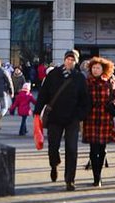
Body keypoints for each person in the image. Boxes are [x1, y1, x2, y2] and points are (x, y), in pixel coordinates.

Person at [35, 50, 91, 191]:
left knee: (72, 149)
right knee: (53, 147)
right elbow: (43, 94)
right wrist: (37, 111)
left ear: (76, 62)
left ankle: (69, 180)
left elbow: (85, 100)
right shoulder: (53, 75)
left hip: (72, 118)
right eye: (68, 59)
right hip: (55, 117)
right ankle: (54, 165)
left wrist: (81, 115)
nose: (70, 62)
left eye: (72, 60)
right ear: (64, 60)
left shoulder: (79, 78)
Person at [81, 56, 115, 187]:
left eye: (98, 68)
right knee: (93, 149)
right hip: (91, 117)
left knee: (102, 149)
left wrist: (113, 104)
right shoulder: (86, 82)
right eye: (93, 68)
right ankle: (96, 177)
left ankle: (99, 175)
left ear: (104, 69)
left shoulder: (109, 81)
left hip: (105, 117)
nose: (96, 70)